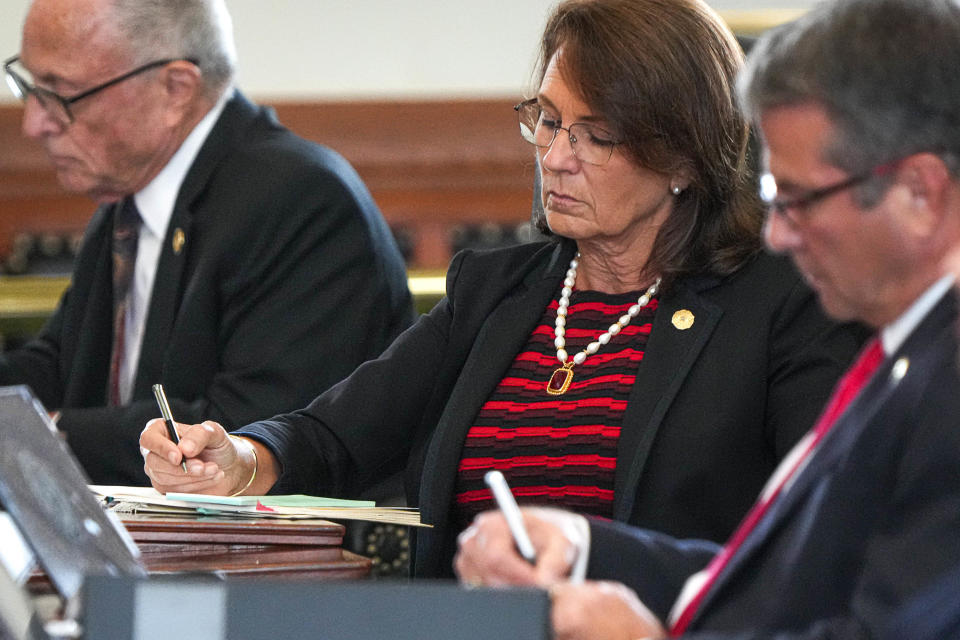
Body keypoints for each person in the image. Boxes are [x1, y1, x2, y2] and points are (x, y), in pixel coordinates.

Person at [140, 0, 863, 578]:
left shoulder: (783, 303)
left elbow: (812, 539)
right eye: (547, 120)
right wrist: (239, 459)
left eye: (594, 135)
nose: (554, 157)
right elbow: (334, 435)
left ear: (682, 155)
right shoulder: (497, 292)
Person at [454, 0, 960, 637]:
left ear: (921, 192)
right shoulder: (908, 356)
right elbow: (776, 584)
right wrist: (584, 545)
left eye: (800, 199)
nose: (777, 235)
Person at [0, 0, 413, 485]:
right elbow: (60, 366)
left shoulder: (302, 199)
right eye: (31, 87)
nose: (34, 123)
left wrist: (47, 433)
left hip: (277, 552)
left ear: (176, 88)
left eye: (62, 95)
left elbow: (246, 433)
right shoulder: (130, 195)